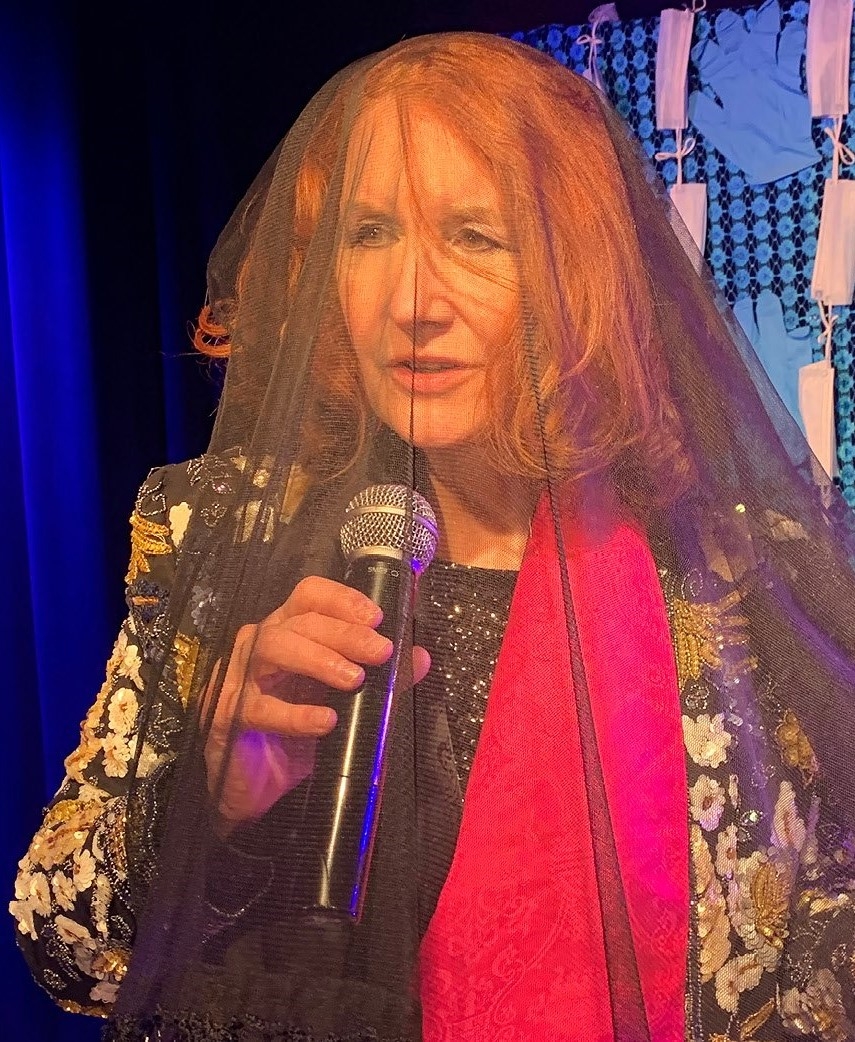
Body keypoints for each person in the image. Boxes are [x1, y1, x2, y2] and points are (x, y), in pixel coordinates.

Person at [11, 30, 855, 1042]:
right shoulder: (223, 536)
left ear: (576, 270)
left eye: (476, 237)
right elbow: (65, 946)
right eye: (368, 234)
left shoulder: (731, 569)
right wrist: (213, 802)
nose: (411, 301)